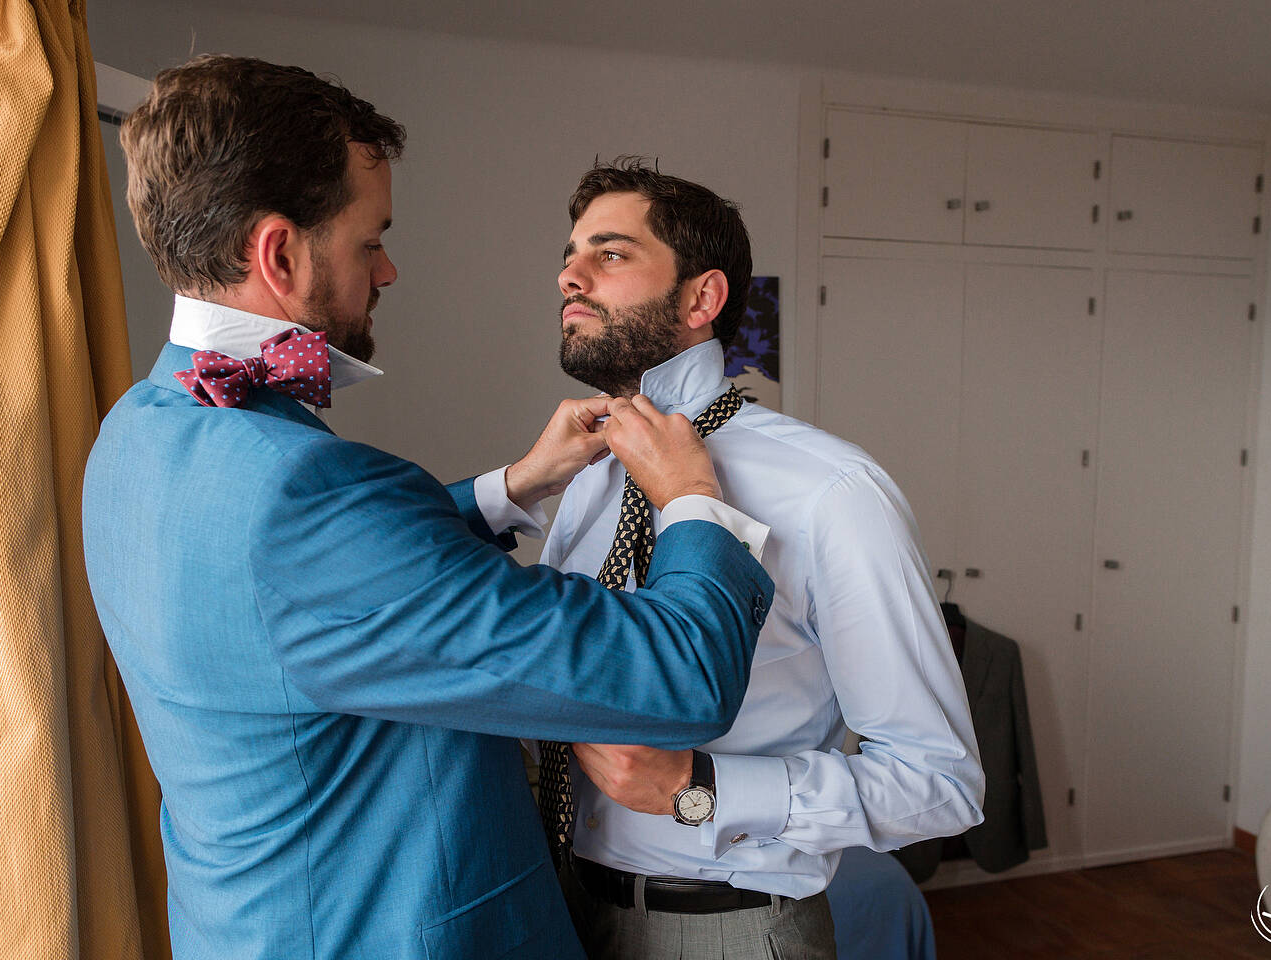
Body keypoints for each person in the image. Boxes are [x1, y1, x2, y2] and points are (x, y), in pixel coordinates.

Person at [81, 58, 775, 960]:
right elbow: (678, 677)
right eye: (371, 241)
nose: (389, 268)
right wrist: (691, 499)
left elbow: (313, 587)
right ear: (280, 254)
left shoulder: (139, 429)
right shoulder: (300, 501)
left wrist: (513, 487)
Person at [542, 158, 985, 959]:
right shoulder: (583, 475)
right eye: (570, 255)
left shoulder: (832, 490)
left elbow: (940, 782)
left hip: (727, 929)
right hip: (561, 908)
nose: (568, 276)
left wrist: (701, 790)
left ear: (701, 299)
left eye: (608, 254)